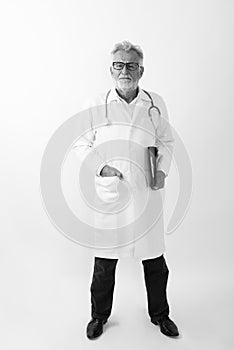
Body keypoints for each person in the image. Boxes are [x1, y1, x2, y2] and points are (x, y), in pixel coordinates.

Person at [72, 40, 179, 339]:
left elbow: (167, 142)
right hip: (112, 194)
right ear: (111, 69)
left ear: (141, 70)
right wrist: (101, 168)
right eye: (119, 65)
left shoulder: (154, 103)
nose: (125, 71)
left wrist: (161, 170)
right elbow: (81, 142)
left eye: (131, 65)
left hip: (147, 191)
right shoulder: (95, 104)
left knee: (155, 261)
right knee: (105, 263)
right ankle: (99, 317)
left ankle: (160, 315)